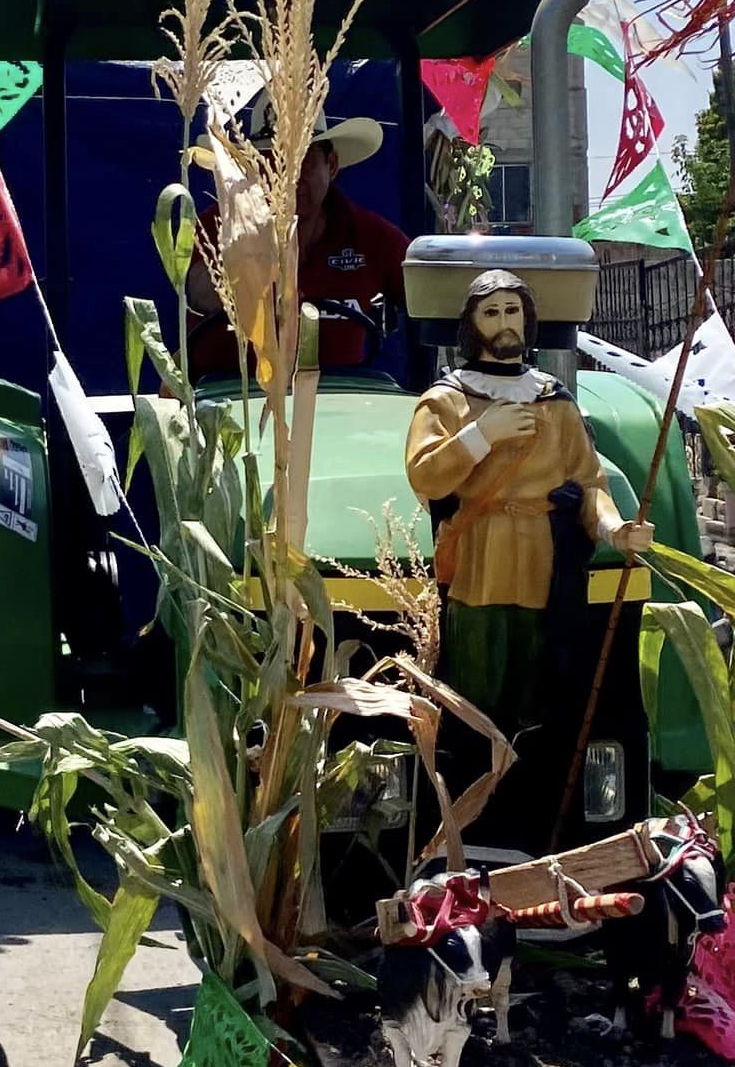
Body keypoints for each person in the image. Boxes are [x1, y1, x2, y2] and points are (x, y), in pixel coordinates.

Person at [405, 268, 651, 745]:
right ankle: (473, 779)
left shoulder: (554, 403)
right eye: (491, 312)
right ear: (472, 324)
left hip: (544, 566)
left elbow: (588, 482)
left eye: (512, 310)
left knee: (543, 691)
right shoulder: (446, 400)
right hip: (482, 562)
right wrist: (483, 433)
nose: (504, 323)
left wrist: (614, 529)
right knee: (476, 684)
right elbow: (425, 475)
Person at [187, 96, 409, 379]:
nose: (285, 177)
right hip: (233, 405)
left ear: (331, 165)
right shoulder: (216, 225)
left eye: (300, 160)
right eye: (269, 162)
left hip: (343, 405)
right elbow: (199, 289)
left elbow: (422, 291)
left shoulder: (370, 235)